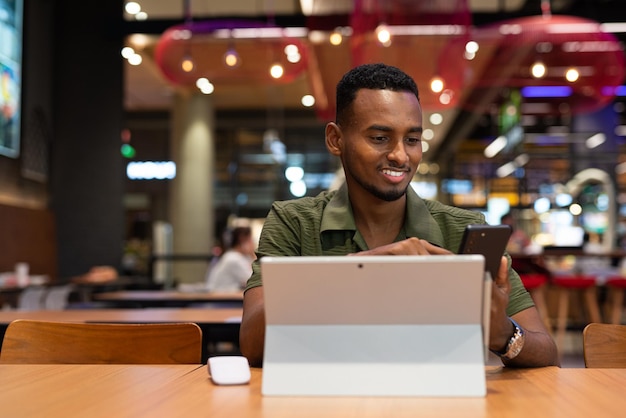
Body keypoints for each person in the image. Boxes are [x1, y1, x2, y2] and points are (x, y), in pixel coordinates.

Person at [240, 63, 559, 368]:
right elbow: (252, 344)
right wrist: (359, 272)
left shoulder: (464, 230)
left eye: (412, 139)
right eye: (379, 138)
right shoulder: (293, 222)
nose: (400, 155)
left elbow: (547, 351)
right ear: (336, 140)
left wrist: (501, 333)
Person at [205, 226, 256, 292]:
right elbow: (254, 281)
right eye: (251, 240)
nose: (253, 243)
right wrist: (253, 255)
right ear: (243, 239)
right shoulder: (234, 258)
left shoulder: (234, 256)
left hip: (225, 296)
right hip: (221, 299)